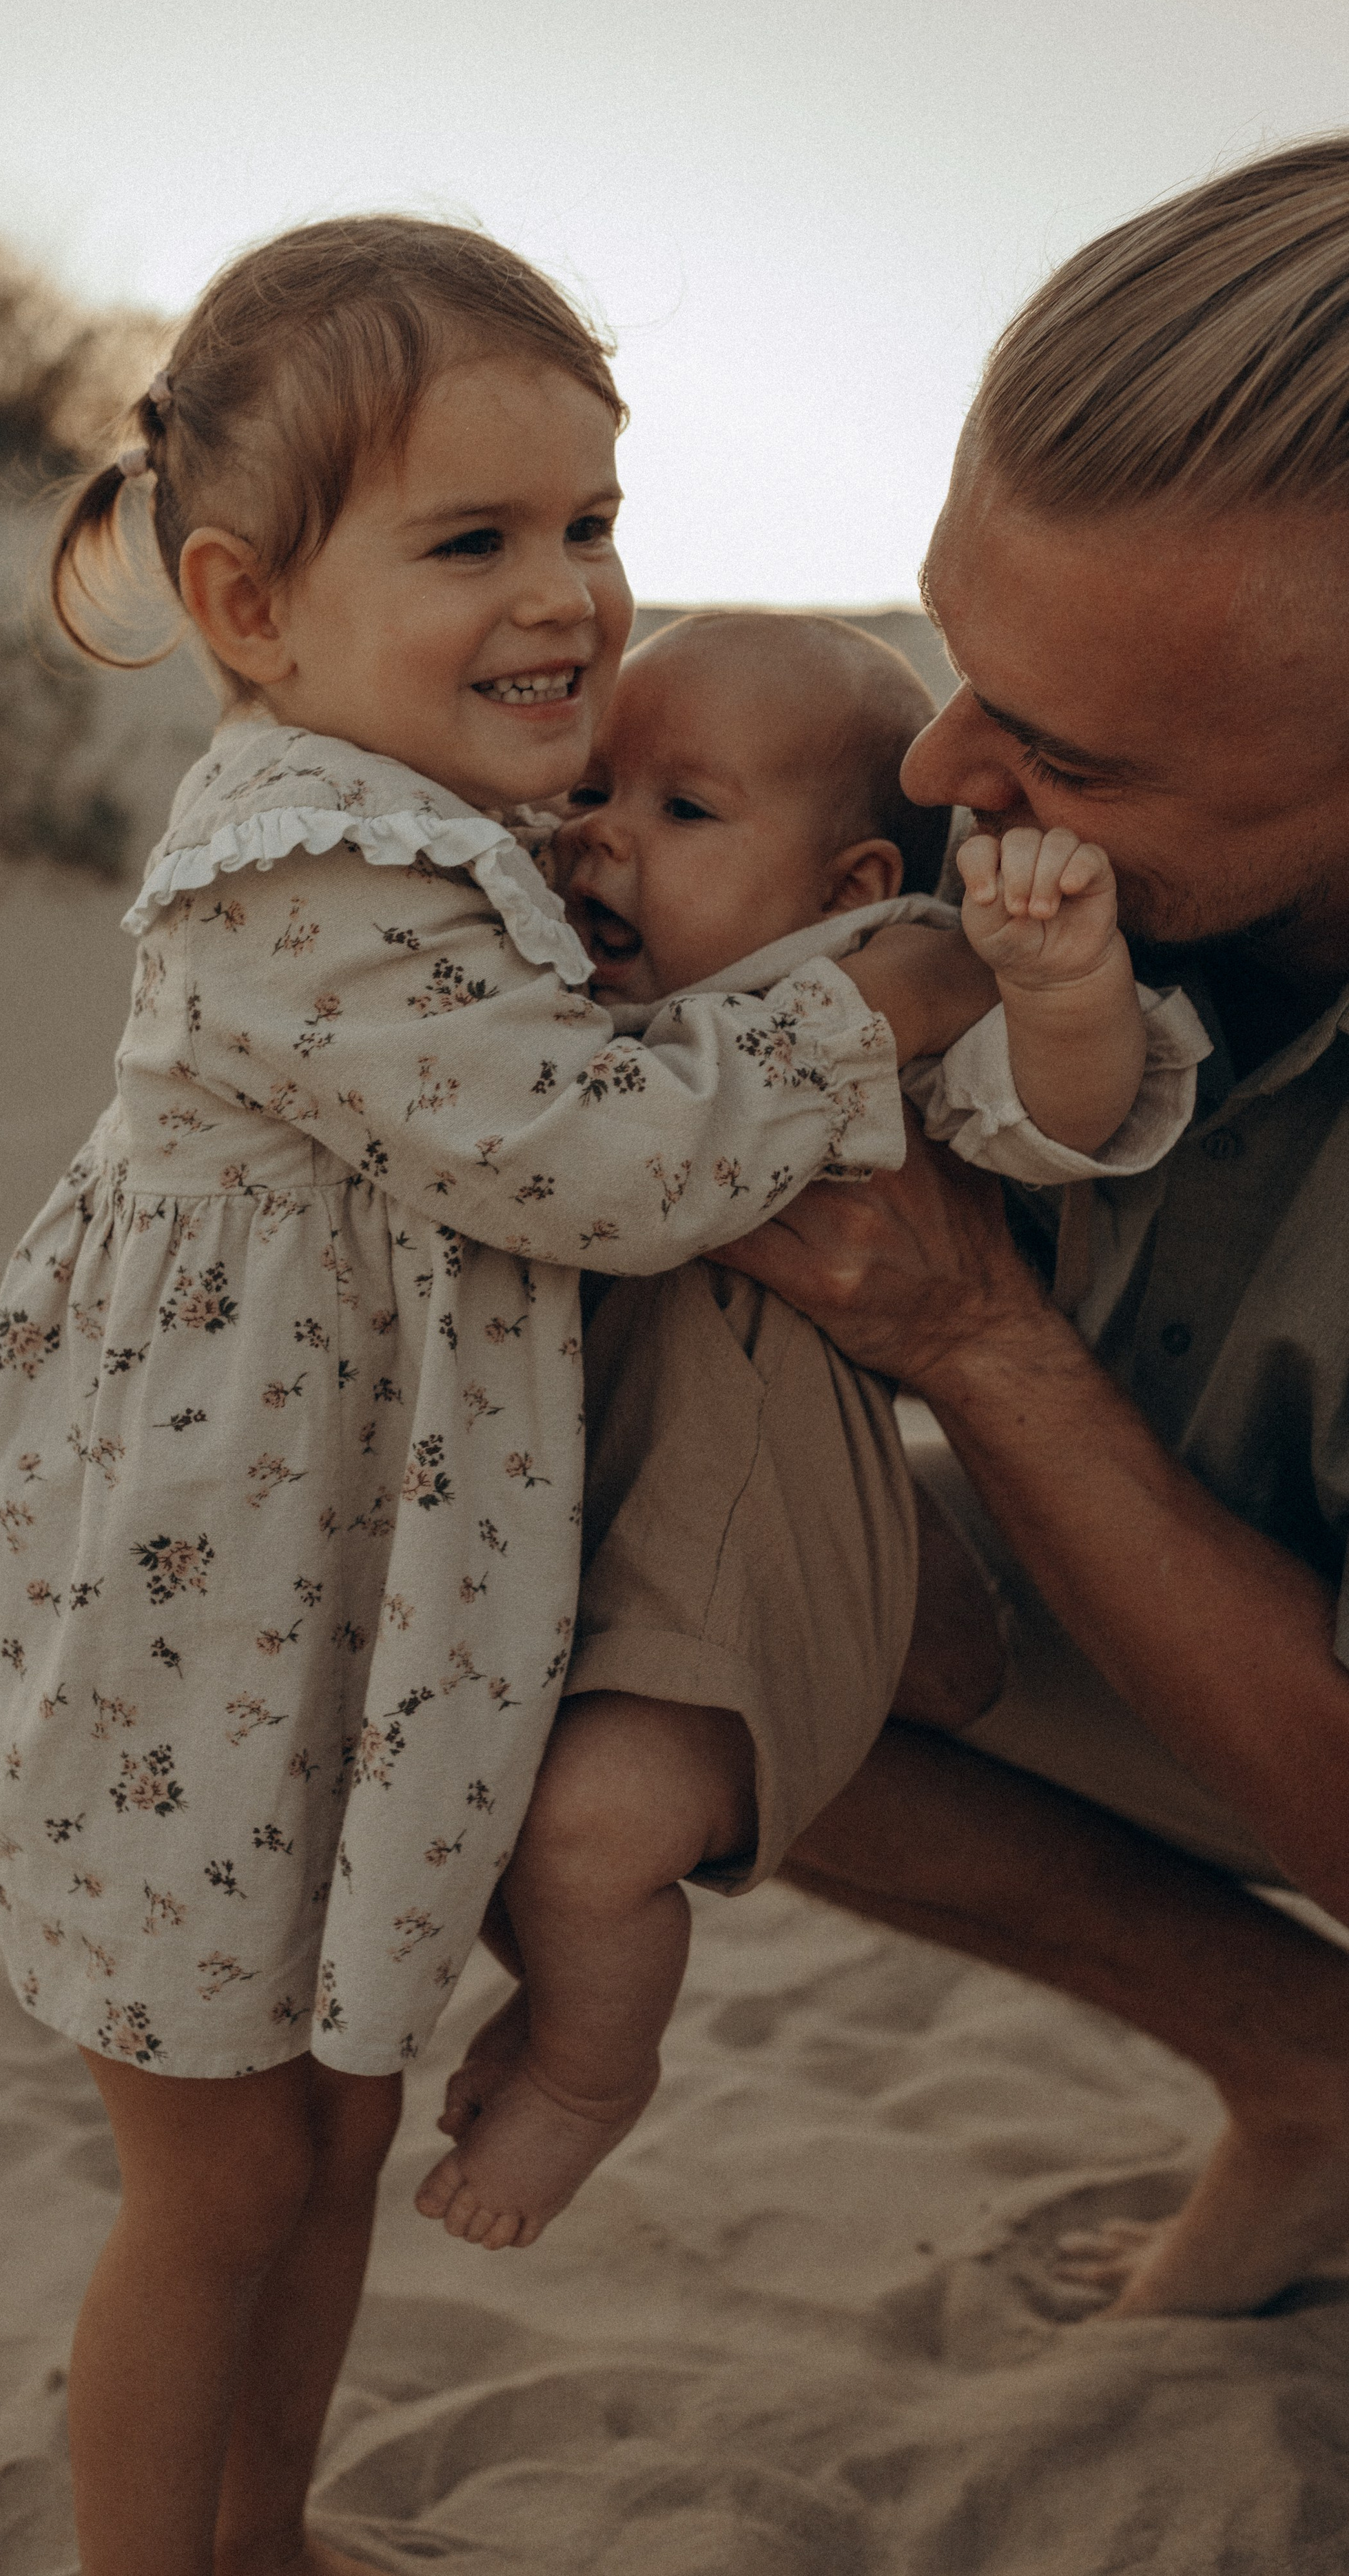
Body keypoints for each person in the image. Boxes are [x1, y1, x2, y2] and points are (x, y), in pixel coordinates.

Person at [0, 216, 998, 2576]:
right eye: (474, 540)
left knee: (327, 2140)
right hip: (188, 1655)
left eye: (592, 527)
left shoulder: (469, 842)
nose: (567, 597)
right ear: (247, 611)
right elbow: (612, 1158)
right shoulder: (296, 879)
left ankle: (270, 2536)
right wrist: (869, 1001)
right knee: (214, 2184)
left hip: (352, 1642)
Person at [416, 607, 1208, 2250]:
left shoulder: (860, 1003)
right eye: (600, 790)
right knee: (478, 1808)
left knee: (592, 1831)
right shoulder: (588, 1010)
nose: (600, 840)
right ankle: (547, 1997)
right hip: (587, 1531)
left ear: (851, 888)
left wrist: (1054, 982)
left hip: (743, 1551)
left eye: (681, 812)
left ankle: (587, 2071)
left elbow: (1053, 1122)